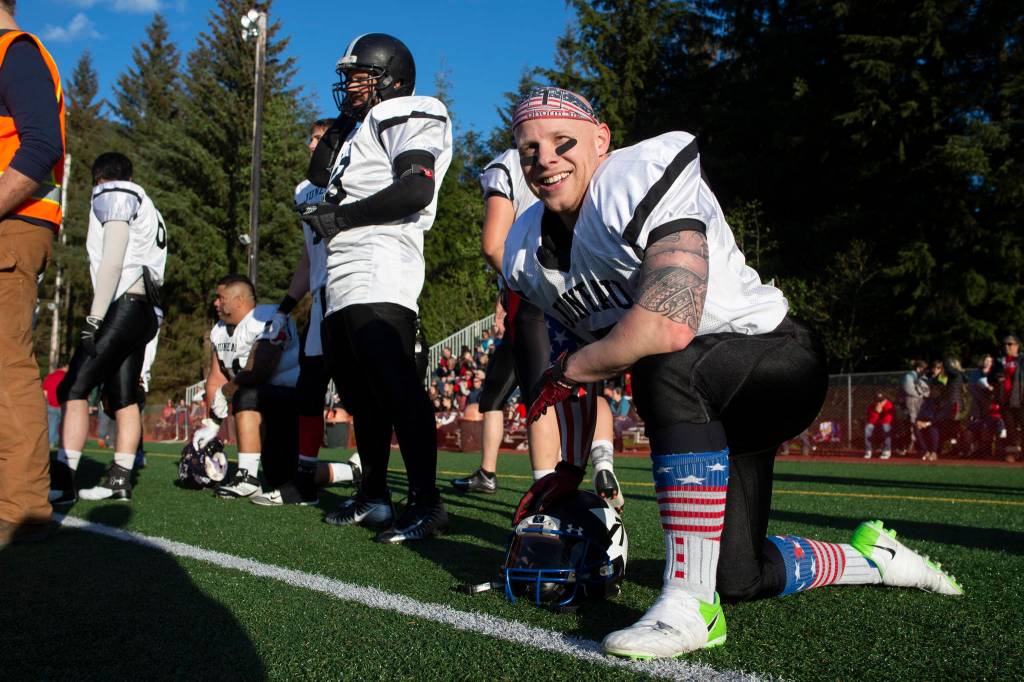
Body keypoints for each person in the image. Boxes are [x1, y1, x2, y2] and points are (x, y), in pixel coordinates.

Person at [502, 86, 962, 659]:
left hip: (774, 359)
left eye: (561, 141)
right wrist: (569, 468)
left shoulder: (634, 177)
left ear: (601, 141)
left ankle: (688, 604)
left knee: (666, 363)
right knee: (739, 577)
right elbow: (568, 366)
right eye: (528, 149)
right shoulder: (525, 247)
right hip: (707, 407)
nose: (544, 158)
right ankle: (874, 559)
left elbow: (666, 324)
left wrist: (572, 367)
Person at [299, 33, 452, 542]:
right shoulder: (358, 128)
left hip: (380, 262)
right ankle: (374, 496)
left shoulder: (408, 110)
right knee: (359, 395)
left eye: (358, 76)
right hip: (341, 272)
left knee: (394, 384)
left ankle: (426, 502)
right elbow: (317, 171)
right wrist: (345, 123)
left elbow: (415, 187)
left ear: (391, 78)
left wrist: (340, 218)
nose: (348, 86)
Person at [452, 146, 621, 508]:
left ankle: (547, 498)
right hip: (584, 288)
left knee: (541, 397)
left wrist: (520, 286)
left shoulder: (509, 163)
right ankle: (603, 463)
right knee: (586, 385)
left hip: (535, 290)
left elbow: (493, 245)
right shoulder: (584, 159)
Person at [249, 118, 360, 506]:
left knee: (358, 392)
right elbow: (308, 257)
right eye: (311, 139)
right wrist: (285, 307)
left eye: (318, 138)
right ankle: (304, 480)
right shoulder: (305, 190)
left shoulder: (356, 176)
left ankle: (372, 478)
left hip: (353, 292)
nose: (311, 145)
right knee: (308, 392)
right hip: (320, 298)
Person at [50, 152, 165, 504]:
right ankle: (119, 479)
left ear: (99, 178)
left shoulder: (114, 192)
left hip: (125, 305)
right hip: (146, 311)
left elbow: (113, 260)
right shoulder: (149, 207)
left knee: (73, 387)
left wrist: (95, 317)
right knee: (123, 396)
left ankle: (63, 481)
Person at [0, 0, 65, 545]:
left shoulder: (14, 51)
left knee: (5, 363)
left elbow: (42, 143)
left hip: (12, 227)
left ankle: (22, 508)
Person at [194, 275, 301, 499]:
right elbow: (216, 378)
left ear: (239, 300)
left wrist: (226, 392)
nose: (216, 303)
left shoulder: (267, 317)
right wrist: (212, 424)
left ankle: (247, 477)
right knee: (282, 477)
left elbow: (259, 370)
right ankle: (350, 471)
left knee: (246, 393)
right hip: (263, 403)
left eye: (221, 297)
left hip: (289, 400)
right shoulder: (219, 330)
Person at [42, 364, 67, 448]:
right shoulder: (66, 376)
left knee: (52, 423)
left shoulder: (50, 376)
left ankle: (51, 441)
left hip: (51, 404)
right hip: (63, 404)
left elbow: (45, 392)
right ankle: (58, 441)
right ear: (65, 367)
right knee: (63, 425)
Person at [863, 392, 894, 459]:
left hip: (888, 425)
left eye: (881, 401)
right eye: (877, 401)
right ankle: (868, 450)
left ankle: (887, 451)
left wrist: (881, 411)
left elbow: (887, 420)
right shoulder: (871, 406)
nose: (879, 402)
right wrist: (876, 411)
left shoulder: (889, 405)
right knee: (868, 427)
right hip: (876, 425)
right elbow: (871, 420)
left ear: (885, 400)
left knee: (885, 427)